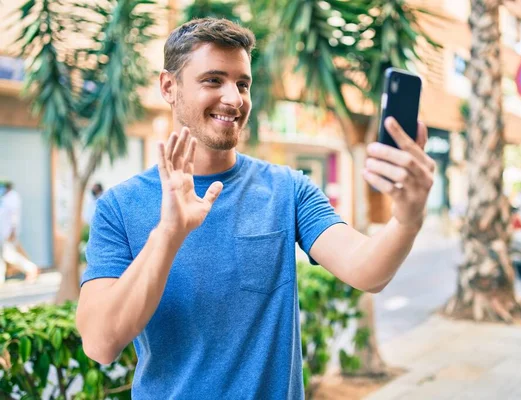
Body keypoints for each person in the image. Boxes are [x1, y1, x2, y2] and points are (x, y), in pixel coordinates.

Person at [76, 18, 435, 399]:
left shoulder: (288, 188)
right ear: (169, 86)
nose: (234, 98)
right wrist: (168, 234)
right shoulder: (118, 206)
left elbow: (367, 272)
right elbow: (100, 344)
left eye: (242, 83)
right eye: (213, 80)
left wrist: (408, 218)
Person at [0, 181, 40, 283]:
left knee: (8, 255)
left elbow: (14, 217)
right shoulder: (5, 198)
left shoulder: (13, 198)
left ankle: (31, 269)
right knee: (4, 255)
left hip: (9, 233)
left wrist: (12, 232)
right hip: (4, 233)